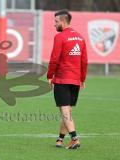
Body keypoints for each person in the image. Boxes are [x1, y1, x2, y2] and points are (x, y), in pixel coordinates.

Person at [47, 10, 88, 149]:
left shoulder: (60, 37)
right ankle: (60, 138)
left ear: (63, 22)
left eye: (56, 22)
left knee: (64, 111)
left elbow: (54, 58)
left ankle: (75, 138)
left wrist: (49, 75)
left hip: (62, 79)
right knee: (67, 112)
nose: (54, 24)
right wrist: (82, 78)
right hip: (75, 79)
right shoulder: (80, 38)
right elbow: (84, 61)